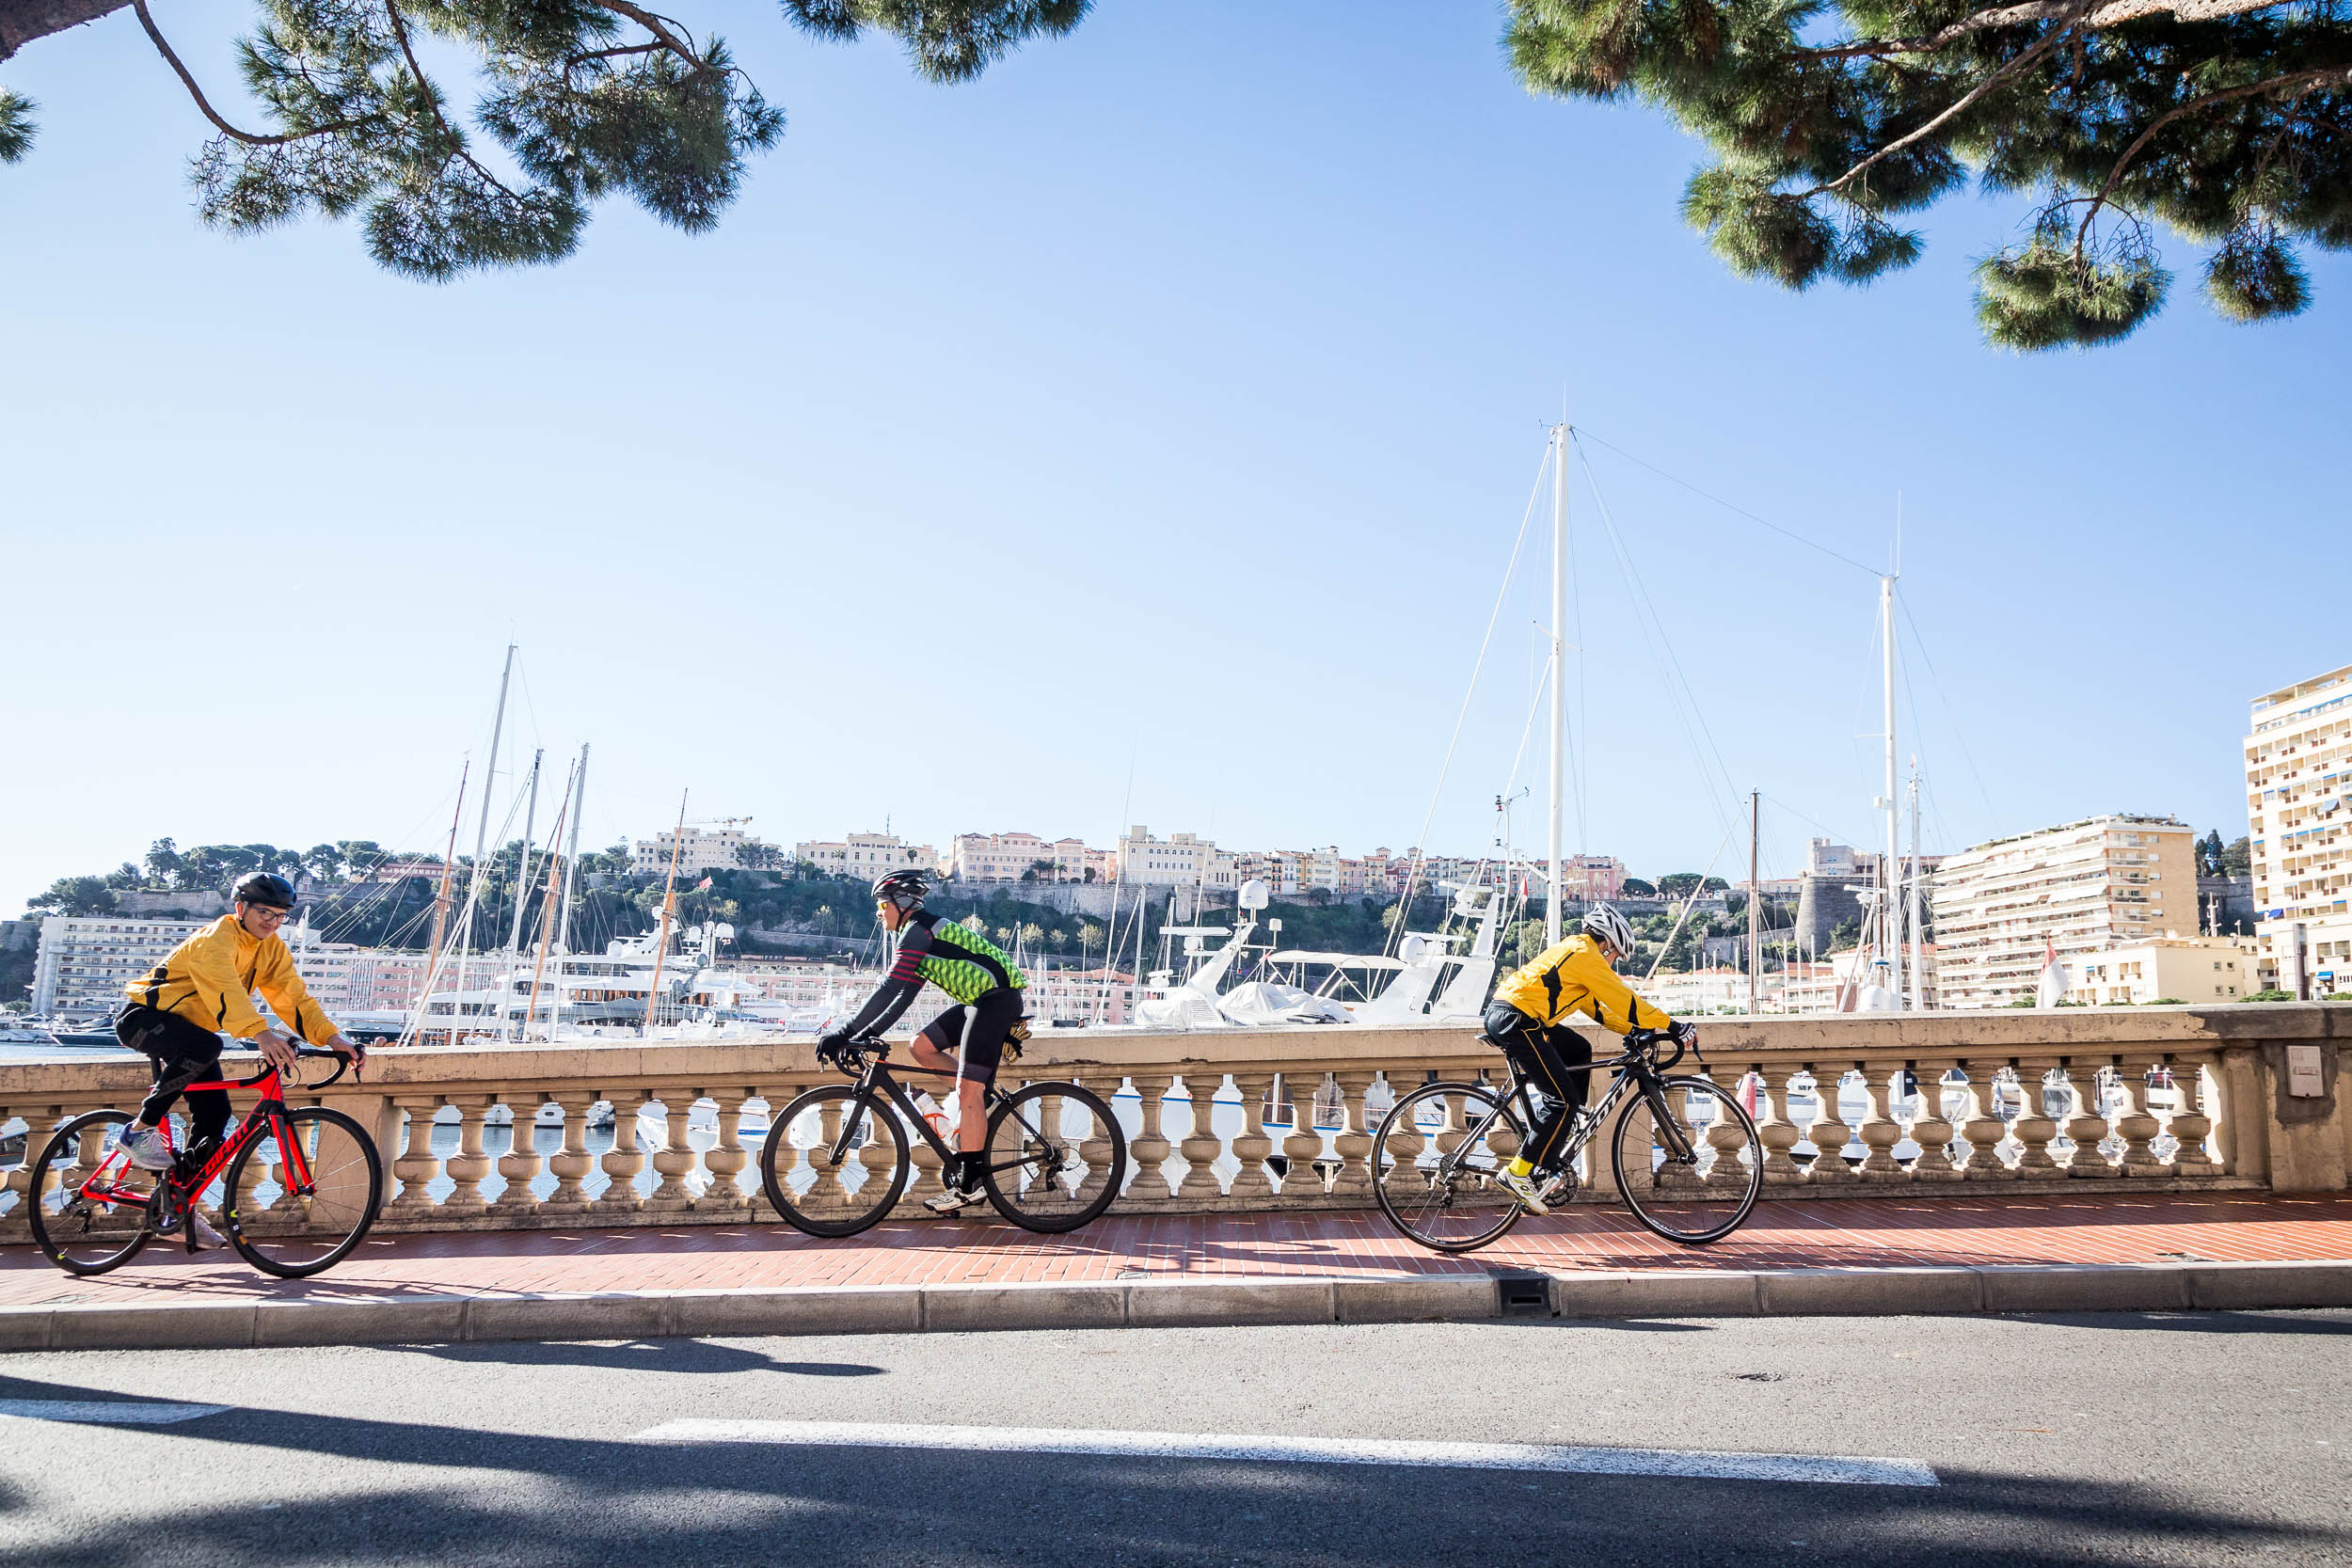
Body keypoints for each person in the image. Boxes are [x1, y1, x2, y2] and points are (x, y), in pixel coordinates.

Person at [111, 873, 364, 1244]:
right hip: (143, 1019)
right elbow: (225, 991)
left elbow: (293, 998)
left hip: (190, 1034)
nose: (272, 922)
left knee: (215, 1115)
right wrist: (260, 1033)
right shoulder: (216, 939)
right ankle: (139, 1131)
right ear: (240, 907)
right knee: (206, 1047)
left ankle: (178, 1208)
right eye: (265, 912)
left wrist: (333, 1037)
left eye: (280, 915)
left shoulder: (271, 947)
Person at [818, 869, 1027, 1213]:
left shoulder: (917, 933)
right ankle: (980, 1102)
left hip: (996, 1000)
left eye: (882, 904)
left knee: (968, 1091)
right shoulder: (916, 935)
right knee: (921, 1047)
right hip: (980, 1001)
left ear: (901, 905)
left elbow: (888, 988)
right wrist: (865, 1035)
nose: (878, 912)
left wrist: (844, 1032)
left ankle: (970, 1184)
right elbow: (903, 997)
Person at [1485, 902, 1694, 1214]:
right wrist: (1671, 1025)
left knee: (1580, 1049)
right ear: (1607, 942)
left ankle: (1565, 1124)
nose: (1613, 963)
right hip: (1519, 1020)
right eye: (1615, 956)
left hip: (1520, 1016)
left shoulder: (1577, 956)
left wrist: (1635, 1029)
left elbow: (1600, 1010)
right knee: (1562, 1100)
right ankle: (1517, 1172)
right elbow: (1623, 998)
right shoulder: (1585, 954)